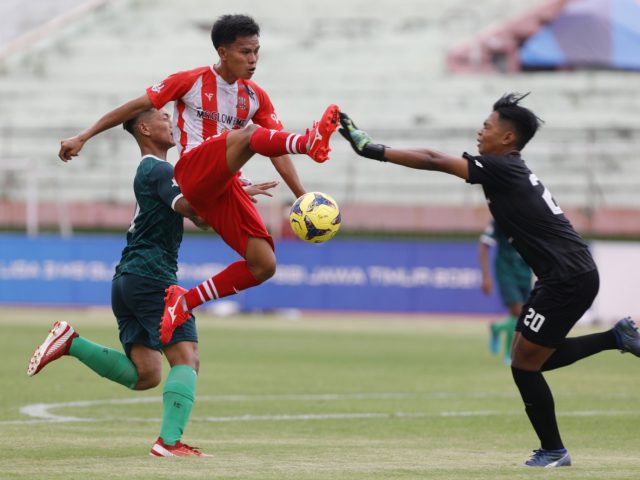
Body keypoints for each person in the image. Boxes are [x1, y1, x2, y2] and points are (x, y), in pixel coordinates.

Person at [338, 93, 640, 467]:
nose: (480, 131)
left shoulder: (502, 168)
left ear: (508, 138)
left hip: (567, 277)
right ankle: (616, 337)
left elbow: (434, 159)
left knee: (524, 365)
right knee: (528, 359)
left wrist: (372, 149)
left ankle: (554, 450)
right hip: (563, 276)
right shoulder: (508, 169)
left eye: (488, 126)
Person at [57, 14, 340, 344]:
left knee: (264, 264)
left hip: (224, 184)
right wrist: (84, 136)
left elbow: (274, 146)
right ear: (222, 53)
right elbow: (133, 107)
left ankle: (185, 301)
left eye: (256, 52)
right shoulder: (189, 81)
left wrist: (302, 197)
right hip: (192, 170)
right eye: (244, 52)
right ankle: (308, 141)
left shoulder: (255, 96)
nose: (252, 60)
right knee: (249, 135)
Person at [30, 107, 277, 457]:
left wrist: (234, 196)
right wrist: (232, 192)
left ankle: (71, 343)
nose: (172, 122)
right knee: (187, 357)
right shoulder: (158, 168)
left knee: (145, 374)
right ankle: (169, 443)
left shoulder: (157, 172)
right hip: (152, 277)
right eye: (163, 118)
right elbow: (191, 207)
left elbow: (201, 218)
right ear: (144, 128)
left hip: (128, 279)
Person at [479, 220, 532, 364]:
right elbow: (484, 245)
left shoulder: (532, 217)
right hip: (506, 271)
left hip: (525, 272)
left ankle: (497, 327)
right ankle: (510, 355)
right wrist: (486, 277)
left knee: (522, 315)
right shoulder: (500, 218)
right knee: (517, 312)